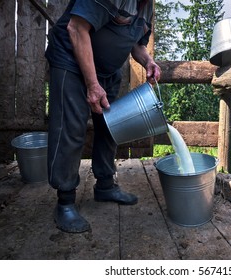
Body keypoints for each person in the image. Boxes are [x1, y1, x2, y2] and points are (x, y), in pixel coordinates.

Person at [45, 0, 161, 233]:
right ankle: (65, 201)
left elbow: (136, 44)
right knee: (71, 128)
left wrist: (148, 61)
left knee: (112, 126)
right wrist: (92, 84)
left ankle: (105, 185)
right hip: (70, 61)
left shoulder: (147, 6)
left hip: (107, 70)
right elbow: (76, 28)